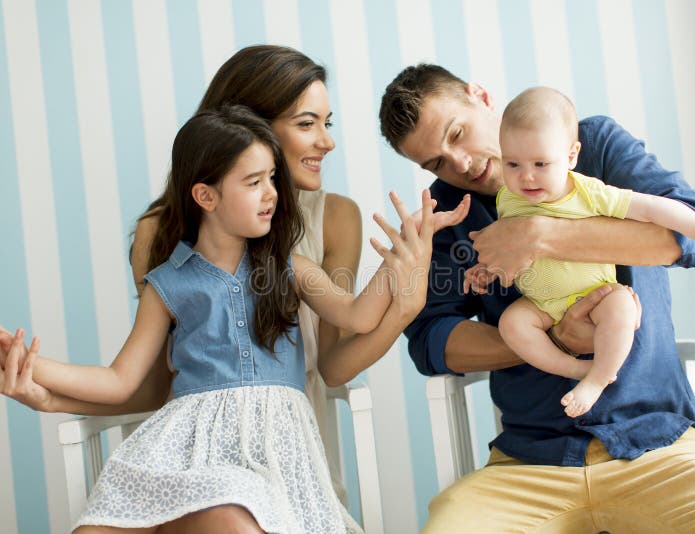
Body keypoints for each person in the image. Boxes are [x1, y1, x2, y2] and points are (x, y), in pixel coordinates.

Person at [0, 46, 468, 532]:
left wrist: (405, 270)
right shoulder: (169, 267)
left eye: (329, 123)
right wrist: (39, 378)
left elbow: (349, 326)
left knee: (233, 509)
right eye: (307, 123)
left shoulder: (298, 258)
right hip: (184, 451)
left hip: (277, 456)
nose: (326, 143)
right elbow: (136, 379)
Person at [379, 64, 695, 532]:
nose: (458, 163)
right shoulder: (446, 212)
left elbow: (690, 235)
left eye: (457, 133)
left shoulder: (592, 143)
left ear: (479, 96)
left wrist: (540, 236)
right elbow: (433, 340)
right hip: (527, 462)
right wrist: (554, 341)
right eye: (436, 162)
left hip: (657, 444)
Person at [463, 86, 695, 418]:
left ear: (571, 156)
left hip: (597, 293)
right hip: (543, 303)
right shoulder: (508, 199)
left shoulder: (588, 193)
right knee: (511, 324)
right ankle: (574, 370)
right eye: (513, 164)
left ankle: (600, 377)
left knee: (622, 309)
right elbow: (512, 256)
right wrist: (486, 270)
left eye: (540, 163)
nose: (526, 176)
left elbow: (651, 209)